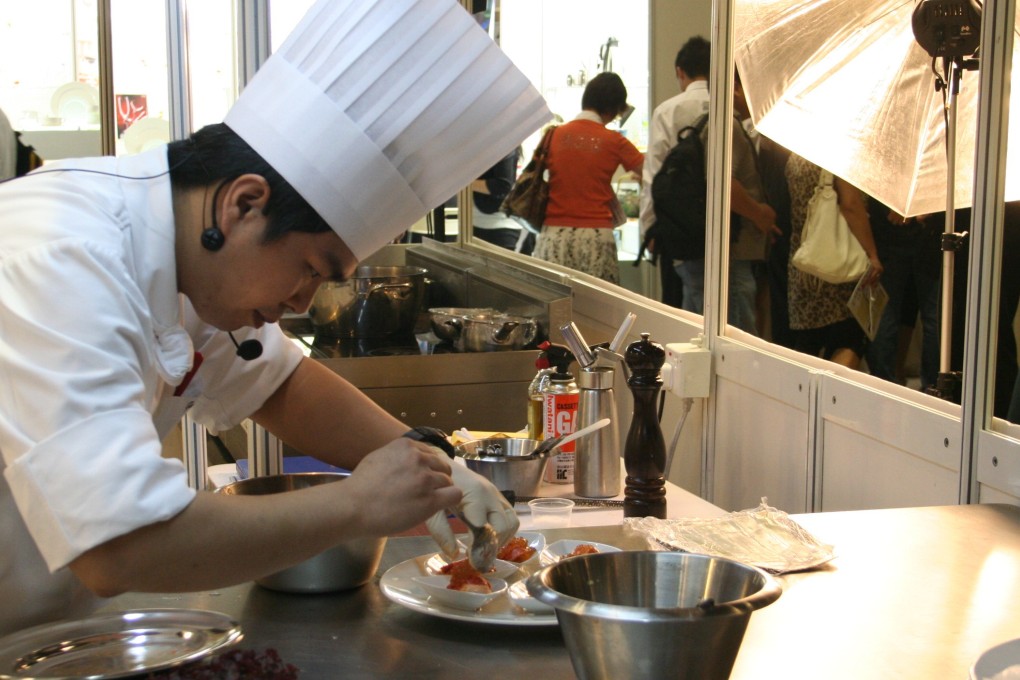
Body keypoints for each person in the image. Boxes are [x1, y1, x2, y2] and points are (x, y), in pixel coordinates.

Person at [0, 0, 551, 637]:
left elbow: (282, 384)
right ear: (244, 203)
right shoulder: (63, 258)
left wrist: (433, 460)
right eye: (312, 268)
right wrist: (357, 503)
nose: (303, 303)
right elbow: (119, 548)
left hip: (46, 633)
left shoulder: (191, 257)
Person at [532, 72, 643, 284]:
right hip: (596, 237)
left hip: (554, 235)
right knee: (596, 311)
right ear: (612, 109)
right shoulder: (614, 141)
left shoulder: (552, 135)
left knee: (555, 308)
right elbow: (649, 172)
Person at [785, 153, 883, 367]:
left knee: (808, 344)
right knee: (849, 339)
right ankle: (832, 399)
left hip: (805, 261)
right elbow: (850, 205)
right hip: (838, 261)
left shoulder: (796, 153)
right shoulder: (838, 154)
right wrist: (872, 254)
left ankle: (803, 398)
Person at [639, 37, 712, 307]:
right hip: (719, 223)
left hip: (675, 223)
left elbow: (654, 174)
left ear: (680, 72)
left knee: (675, 304)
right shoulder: (728, 106)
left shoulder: (667, 111)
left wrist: (649, 228)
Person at [471, 147, 535, 255]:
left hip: (501, 226)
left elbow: (503, 185)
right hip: (482, 221)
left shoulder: (504, 146)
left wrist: (462, 183)